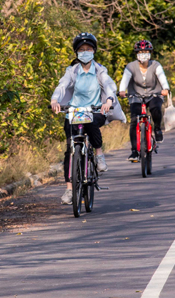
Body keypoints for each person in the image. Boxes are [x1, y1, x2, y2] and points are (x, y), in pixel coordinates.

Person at [51, 33, 125, 204]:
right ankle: (69, 189)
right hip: (75, 111)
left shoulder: (100, 70)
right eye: (81, 50)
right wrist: (55, 100)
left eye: (88, 49)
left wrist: (108, 101)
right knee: (70, 149)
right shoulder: (72, 71)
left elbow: (109, 85)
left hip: (95, 110)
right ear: (76, 52)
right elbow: (62, 86)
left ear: (94, 51)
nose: (85, 52)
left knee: (91, 121)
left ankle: (98, 154)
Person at [119, 40, 170, 162]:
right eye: (141, 52)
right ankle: (134, 152)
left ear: (150, 53)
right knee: (134, 120)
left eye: (146, 52)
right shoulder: (130, 67)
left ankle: (157, 129)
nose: (144, 54)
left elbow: (162, 77)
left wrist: (166, 88)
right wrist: (121, 90)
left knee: (155, 109)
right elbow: (125, 79)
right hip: (135, 96)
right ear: (136, 54)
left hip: (154, 94)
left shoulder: (155, 65)